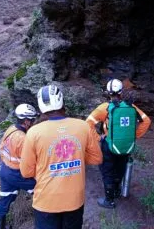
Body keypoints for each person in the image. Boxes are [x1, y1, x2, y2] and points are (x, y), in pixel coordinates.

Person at [20, 85, 102, 229]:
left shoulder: (34, 133)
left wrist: (47, 165)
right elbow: (97, 158)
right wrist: (76, 158)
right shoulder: (83, 126)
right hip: (74, 200)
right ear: (62, 102)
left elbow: (26, 172)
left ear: (40, 108)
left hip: (46, 201)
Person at [86, 79, 151, 209]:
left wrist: (99, 138)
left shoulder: (105, 108)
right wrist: (133, 136)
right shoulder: (131, 107)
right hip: (126, 145)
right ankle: (116, 192)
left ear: (108, 93)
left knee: (107, 171)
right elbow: (146, 121)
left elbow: (88, 123)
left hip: (109, 145)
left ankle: (109, 200)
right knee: (120, 169)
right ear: (121, 92)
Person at [0, 104, 38, 229]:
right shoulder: (23, 139)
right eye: (32, 120)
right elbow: (29, 163)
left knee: (4, 200)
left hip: (5, 170)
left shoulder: (11, 129)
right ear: (26, 121)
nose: (34, 122)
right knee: (41, 191)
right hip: (17, 173)